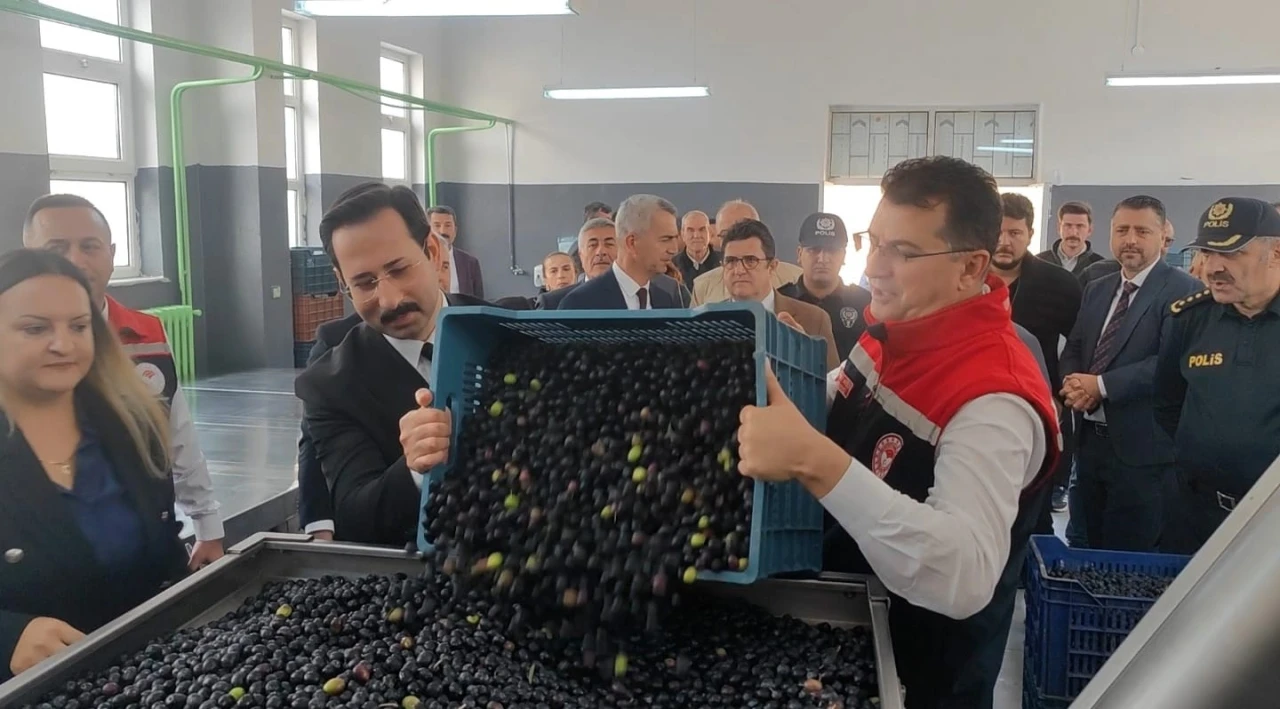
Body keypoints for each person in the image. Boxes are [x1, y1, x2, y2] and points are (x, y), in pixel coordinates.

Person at [736, 157, 1059, 709]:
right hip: (848, 629)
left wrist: (815, 461)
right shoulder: (892, 330)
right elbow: (839, 399)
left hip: (925, 675)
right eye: (874, 242)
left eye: (903, 252)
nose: (874, 267)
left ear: (970, 267)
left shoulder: (995, 397)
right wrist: (792, 372)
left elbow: (963, 573)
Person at [0, 250, 187, 681]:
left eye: (79, 326)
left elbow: (163, 553)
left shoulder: (133, 429)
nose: (63, 345)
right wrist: (8, 637)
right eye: (35, 328)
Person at [22, 194, 224, 569]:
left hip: (149, 545)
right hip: (51, 559)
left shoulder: (147, 333)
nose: (75, 261)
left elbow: (175, 431)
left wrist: (207, 522)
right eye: (57, 248)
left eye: (89, 246)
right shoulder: (12, 349)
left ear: (112, 254)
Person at [294, 183, 478, 545]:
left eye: (399, 269)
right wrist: (414, 470)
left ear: (431, 251)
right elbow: (355, 515)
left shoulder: (507, 334)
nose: (390, 300)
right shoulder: (332, 386)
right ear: (342, 282)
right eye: (364, 283)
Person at [1059, 195, 1201, 552]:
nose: (1131, 240)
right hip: (1089, 444)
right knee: (1085, 545)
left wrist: (1101, 385)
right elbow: (1075, 346)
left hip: (1144, 453)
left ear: (1163, 236)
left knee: (1130, 555)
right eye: (1122, 230)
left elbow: (1170, 361)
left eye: (1142, 231)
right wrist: (1074, 384)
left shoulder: (1185, 291)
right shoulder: (1097, 288)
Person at [1156, 197, 1280, 554]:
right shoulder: (1190, 319)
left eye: (1231, 253)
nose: (1213, 268)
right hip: (1194, 516)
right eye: (1207, 253)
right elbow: (1168, 404)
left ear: (1275, 254)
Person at [995, 194, 1083, 518]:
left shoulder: (1059, 284)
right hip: (972, 402)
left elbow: (1078, 345)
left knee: (1033, 512)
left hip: (1036, 409)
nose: (1004, 242)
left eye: (1015, 233)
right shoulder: (964, 278)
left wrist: (1060, 394)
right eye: (998, 232)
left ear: (1030, 234)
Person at [720, 219, 840, 370]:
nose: (739, 270)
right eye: (731, 261)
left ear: (772, 266)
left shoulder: (815, 320)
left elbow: (832, 382)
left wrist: (806, 353)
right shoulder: (705, 320)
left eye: (750, 261)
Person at [559, 195, 682, 310]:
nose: (674, 249)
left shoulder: (666, 300)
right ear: (632, 243)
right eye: (665, 239)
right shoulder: (579, 303)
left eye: (675, 238)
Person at [778, 212, 872, 360]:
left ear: (843, 256)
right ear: (799, 254)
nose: (822, 258)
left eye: (832, 251)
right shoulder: (780, 300)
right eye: (814, 250)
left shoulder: (865, 304)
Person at [691, 200, 803, 305]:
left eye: (746, 231)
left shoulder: (795, 278)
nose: (736, 240)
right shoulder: (703, 286)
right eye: (726, 235)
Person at [427, 205, 484, 298]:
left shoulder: (470, 263)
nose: (442, 231)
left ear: (455, 231)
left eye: (448, 225)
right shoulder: (420, 261)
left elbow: (479, 301)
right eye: (437, 225)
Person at [1038, 201, 1107, 276]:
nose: (1073, 233)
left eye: (1080, 226)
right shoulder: (1039, 262)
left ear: (1090, 230)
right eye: (1068, 225)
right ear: (1059, 228)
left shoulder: (1101, 268)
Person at [673, 210, 722, 287]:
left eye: (702, 229)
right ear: (682, 234)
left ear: (710, 232)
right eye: (690, 230)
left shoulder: (725, 263)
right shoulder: (672, 267)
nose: (696, 235)